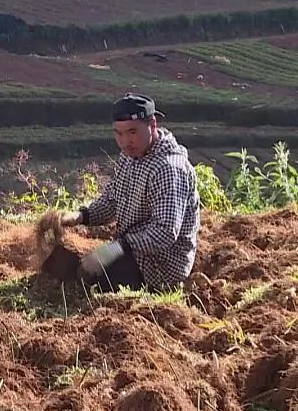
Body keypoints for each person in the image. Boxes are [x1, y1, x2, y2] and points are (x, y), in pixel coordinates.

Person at [60, 94, 200, 292]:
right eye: (118, 134)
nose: (125, 142)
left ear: (152, 124)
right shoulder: (130, 156)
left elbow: (165, 232)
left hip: (161, 266)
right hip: (131, 249)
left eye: (132, 132)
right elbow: (113, 199)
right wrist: (82, 216)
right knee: (66, 265)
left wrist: (118, 248)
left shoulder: (168, 168)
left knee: (91, 282)